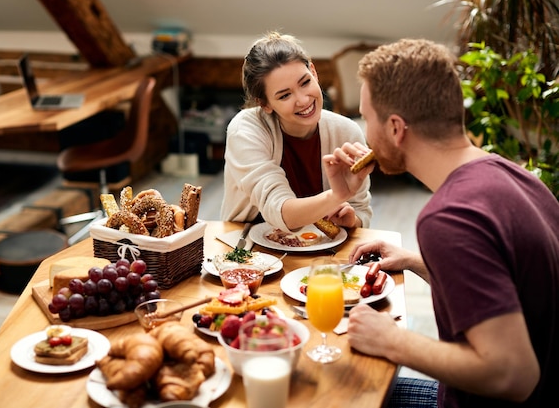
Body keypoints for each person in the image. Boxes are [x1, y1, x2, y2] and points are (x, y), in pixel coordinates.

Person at [322, 38, 559, 407]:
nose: (366, 134)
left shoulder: (450, 217)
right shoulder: (513, 175)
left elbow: (513, 374)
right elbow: (513, 291)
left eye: (368, 120)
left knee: (335, 392)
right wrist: (416, 263)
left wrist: (393, 340)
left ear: (396, 128)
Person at [220, 31, 373, 232]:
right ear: (265, 104)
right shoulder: (246, 129)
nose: (303, 100)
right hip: (250, 249)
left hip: (324, 251)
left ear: (314, 72)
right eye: (284, 96)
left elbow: (361, 210)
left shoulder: (346, 131)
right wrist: (337, 195)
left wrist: (351, 220)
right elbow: (278, 209)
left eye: (305, 82)